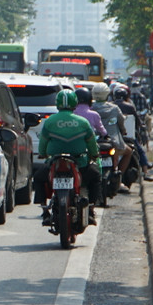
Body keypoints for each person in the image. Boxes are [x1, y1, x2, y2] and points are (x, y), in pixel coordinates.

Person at [37, 88, 102, 227]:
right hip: (80, 163)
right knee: (95, 176)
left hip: (54, 162)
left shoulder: (49, 122)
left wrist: (42, 154)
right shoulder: (83, 122)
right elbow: (91, 143)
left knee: (38, 177)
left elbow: (42, 144)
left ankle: (44, 211)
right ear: (74, 103)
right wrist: (94, 155)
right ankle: (91, 210)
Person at [91, 82, 134, 191]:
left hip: (94, 142)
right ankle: (118, 178)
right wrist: (123, 131)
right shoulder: (114, 108)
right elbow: (121, 121)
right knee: (129, 152)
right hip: (114, 143)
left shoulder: (90, 108)